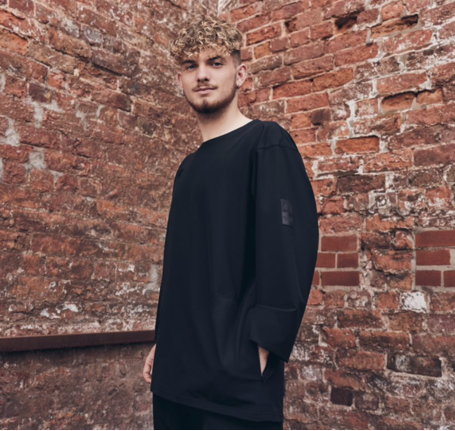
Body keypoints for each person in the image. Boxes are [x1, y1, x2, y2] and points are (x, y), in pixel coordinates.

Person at [142, 17, 319, 430]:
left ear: (240, 74)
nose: (202, 74)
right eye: (191, 65)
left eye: (215, 62)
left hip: (234, 383)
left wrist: (262, 346)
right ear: (180, 80)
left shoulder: (266, 142)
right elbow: (183, 266)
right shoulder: (188, 168)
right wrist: (163, 341)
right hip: (174, 378)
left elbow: (290, 246)